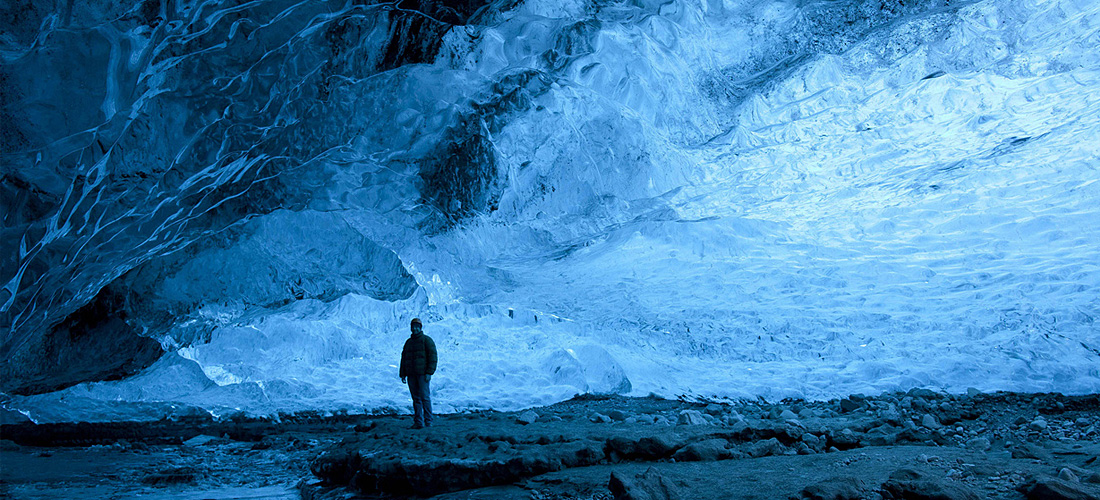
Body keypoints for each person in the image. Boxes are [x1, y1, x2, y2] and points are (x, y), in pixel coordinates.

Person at [399, 318, 437, 429]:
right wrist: (403, 373)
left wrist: (429, 372)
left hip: (423, 374)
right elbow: (404, 358)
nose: (415, 329)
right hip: (411, 375)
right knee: (416, 399)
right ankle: (418, 422)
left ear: (420, 328)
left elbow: (433, 357)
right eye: (413, 326)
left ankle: (428, 421)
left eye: (417, 326)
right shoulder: (408, 342)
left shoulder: (427, 340)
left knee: (425, 397)